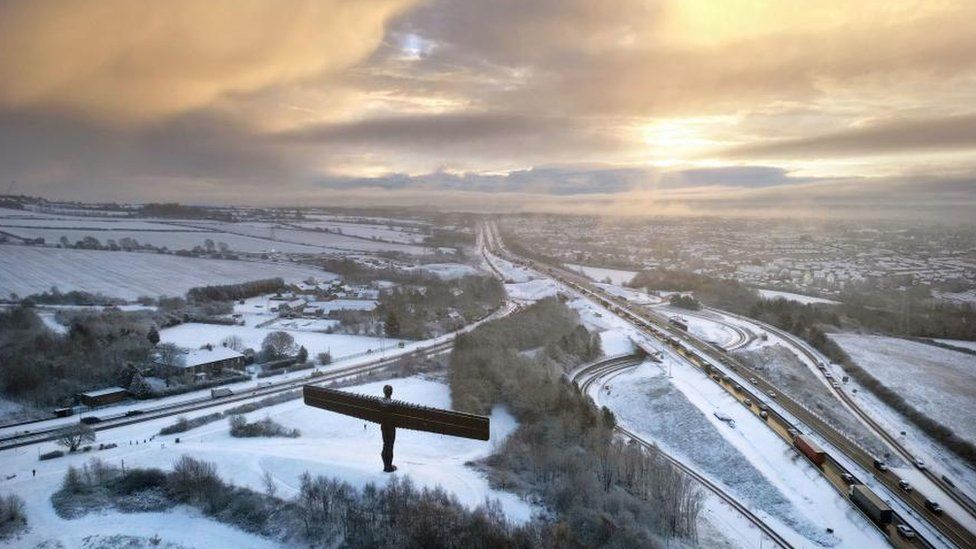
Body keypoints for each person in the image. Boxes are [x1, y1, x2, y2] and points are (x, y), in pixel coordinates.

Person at [380, 385, 397, 472]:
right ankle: (388, 467)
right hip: (391, 427)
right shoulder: (394, 404)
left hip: (383, 427)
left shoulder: (379, 402)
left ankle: (386, 465)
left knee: (385, 445)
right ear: (391, 392)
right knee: (389, 446)